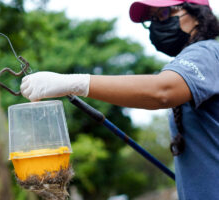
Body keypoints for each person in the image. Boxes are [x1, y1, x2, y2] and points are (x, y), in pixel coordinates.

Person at [20, 0, 219, 199]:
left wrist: (77, 82)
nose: (158, 24)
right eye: (153, 19)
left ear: (198, 15)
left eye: (165, 14)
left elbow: (162, 91)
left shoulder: (206, 52)